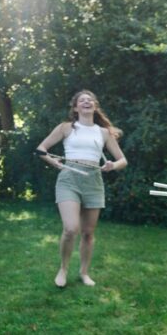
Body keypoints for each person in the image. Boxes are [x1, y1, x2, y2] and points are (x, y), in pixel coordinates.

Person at [36, 90, 127, 288]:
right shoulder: (66, 127)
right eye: (82, 100)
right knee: (70, 229)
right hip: (69, 178)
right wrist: (54, 162)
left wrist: (112, 165)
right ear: (76, 108)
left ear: (95, 106)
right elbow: (41, 149)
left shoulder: (103, 132)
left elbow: (123, 160)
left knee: (88, 233)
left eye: (90, 100)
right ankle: (63, 269)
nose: (86, 102)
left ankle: (84, 272)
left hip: (94, 181)